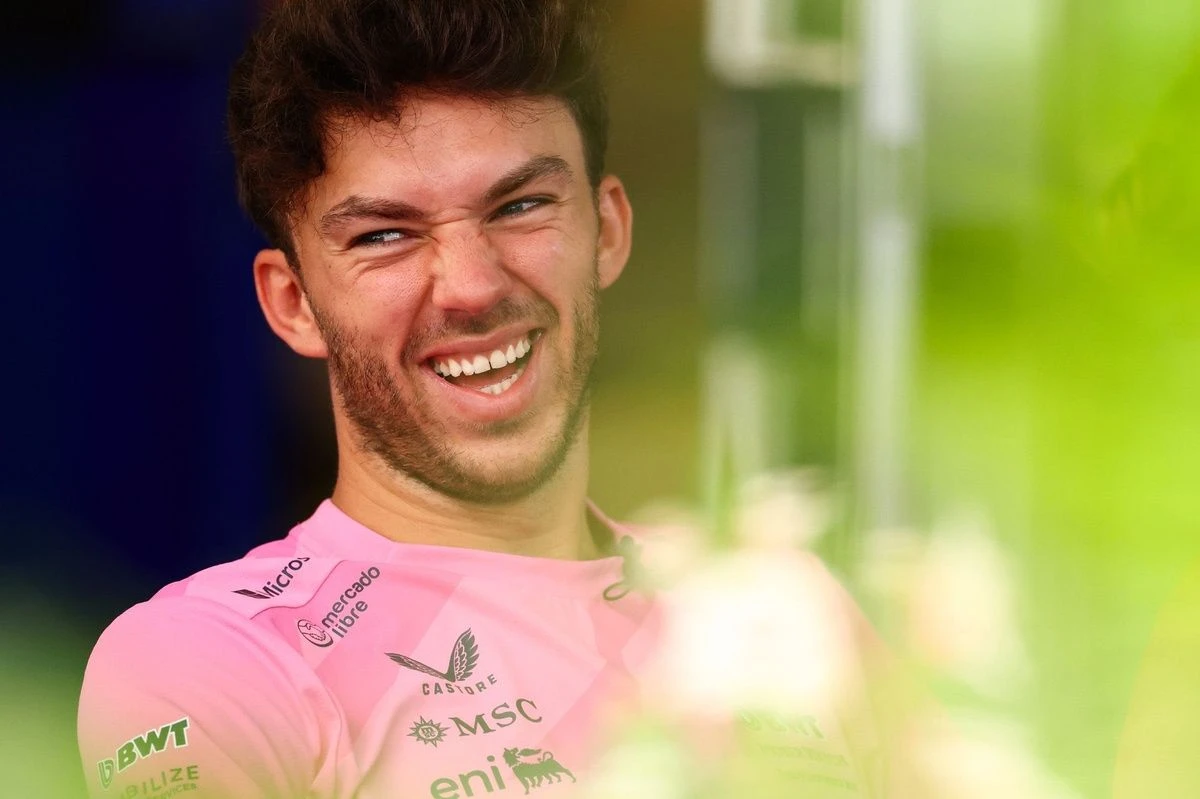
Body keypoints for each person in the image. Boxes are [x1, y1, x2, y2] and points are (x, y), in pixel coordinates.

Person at [77, 2, 905, 797]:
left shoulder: (786, 616)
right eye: (385, 235)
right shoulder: (212, 657)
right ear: (293, 303)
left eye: (520, 206)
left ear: (609, 230)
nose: (472, 286)